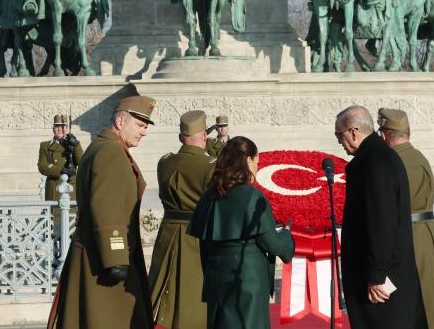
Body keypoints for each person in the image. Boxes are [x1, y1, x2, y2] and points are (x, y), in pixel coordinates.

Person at [47, 95, 156, 329]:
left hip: (94, 251)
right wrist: (116, 257)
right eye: (139, 125)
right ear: (120, 122)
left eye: (145, 127)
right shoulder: (111, 153)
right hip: (106, 259)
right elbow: (107, 208)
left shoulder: (101, 146)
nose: (143, 132)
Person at [188, 136, 294, 329]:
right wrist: (287, 236)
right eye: (256, 162)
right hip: (247, 279)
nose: (257, 168)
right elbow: (272, 243)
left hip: (216, 276)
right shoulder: (252, 196)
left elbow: (203, 245)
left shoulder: (208, 196)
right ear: (247, 161)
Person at [335, 105, 425, 328]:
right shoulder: (381, 157)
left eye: (339, 135)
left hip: (382, 279)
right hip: (386, 271)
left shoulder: (374, 163)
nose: (338, 142)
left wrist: (377, 275)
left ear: (354, 131)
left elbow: (381, 221)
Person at [378, 108, 434, 329]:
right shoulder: (418, 157)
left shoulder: (392, 162)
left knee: (406, 303)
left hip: (405, 236)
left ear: (384, 134)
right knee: (428, 296)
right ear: (408, 134)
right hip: (425, 233)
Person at [148, 110, 215, 329]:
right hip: (197, 233)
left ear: (180, 137)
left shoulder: (164, 162)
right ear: (204, 136)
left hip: (168, 231)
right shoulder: (210, 165)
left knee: (165, 287)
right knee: (193, 294)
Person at [37, 114, 83, 202]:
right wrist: (61, 171)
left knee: (70, 214)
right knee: (54, 215)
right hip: (54, 187)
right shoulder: (45, 146)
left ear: (67, 129)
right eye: (57, 126)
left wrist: (76, 145)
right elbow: (42, 166)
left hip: (70, 186)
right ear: (53, 129)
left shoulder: (73, 144)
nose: (60, 129)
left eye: (63, 127)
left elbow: (81, 161)